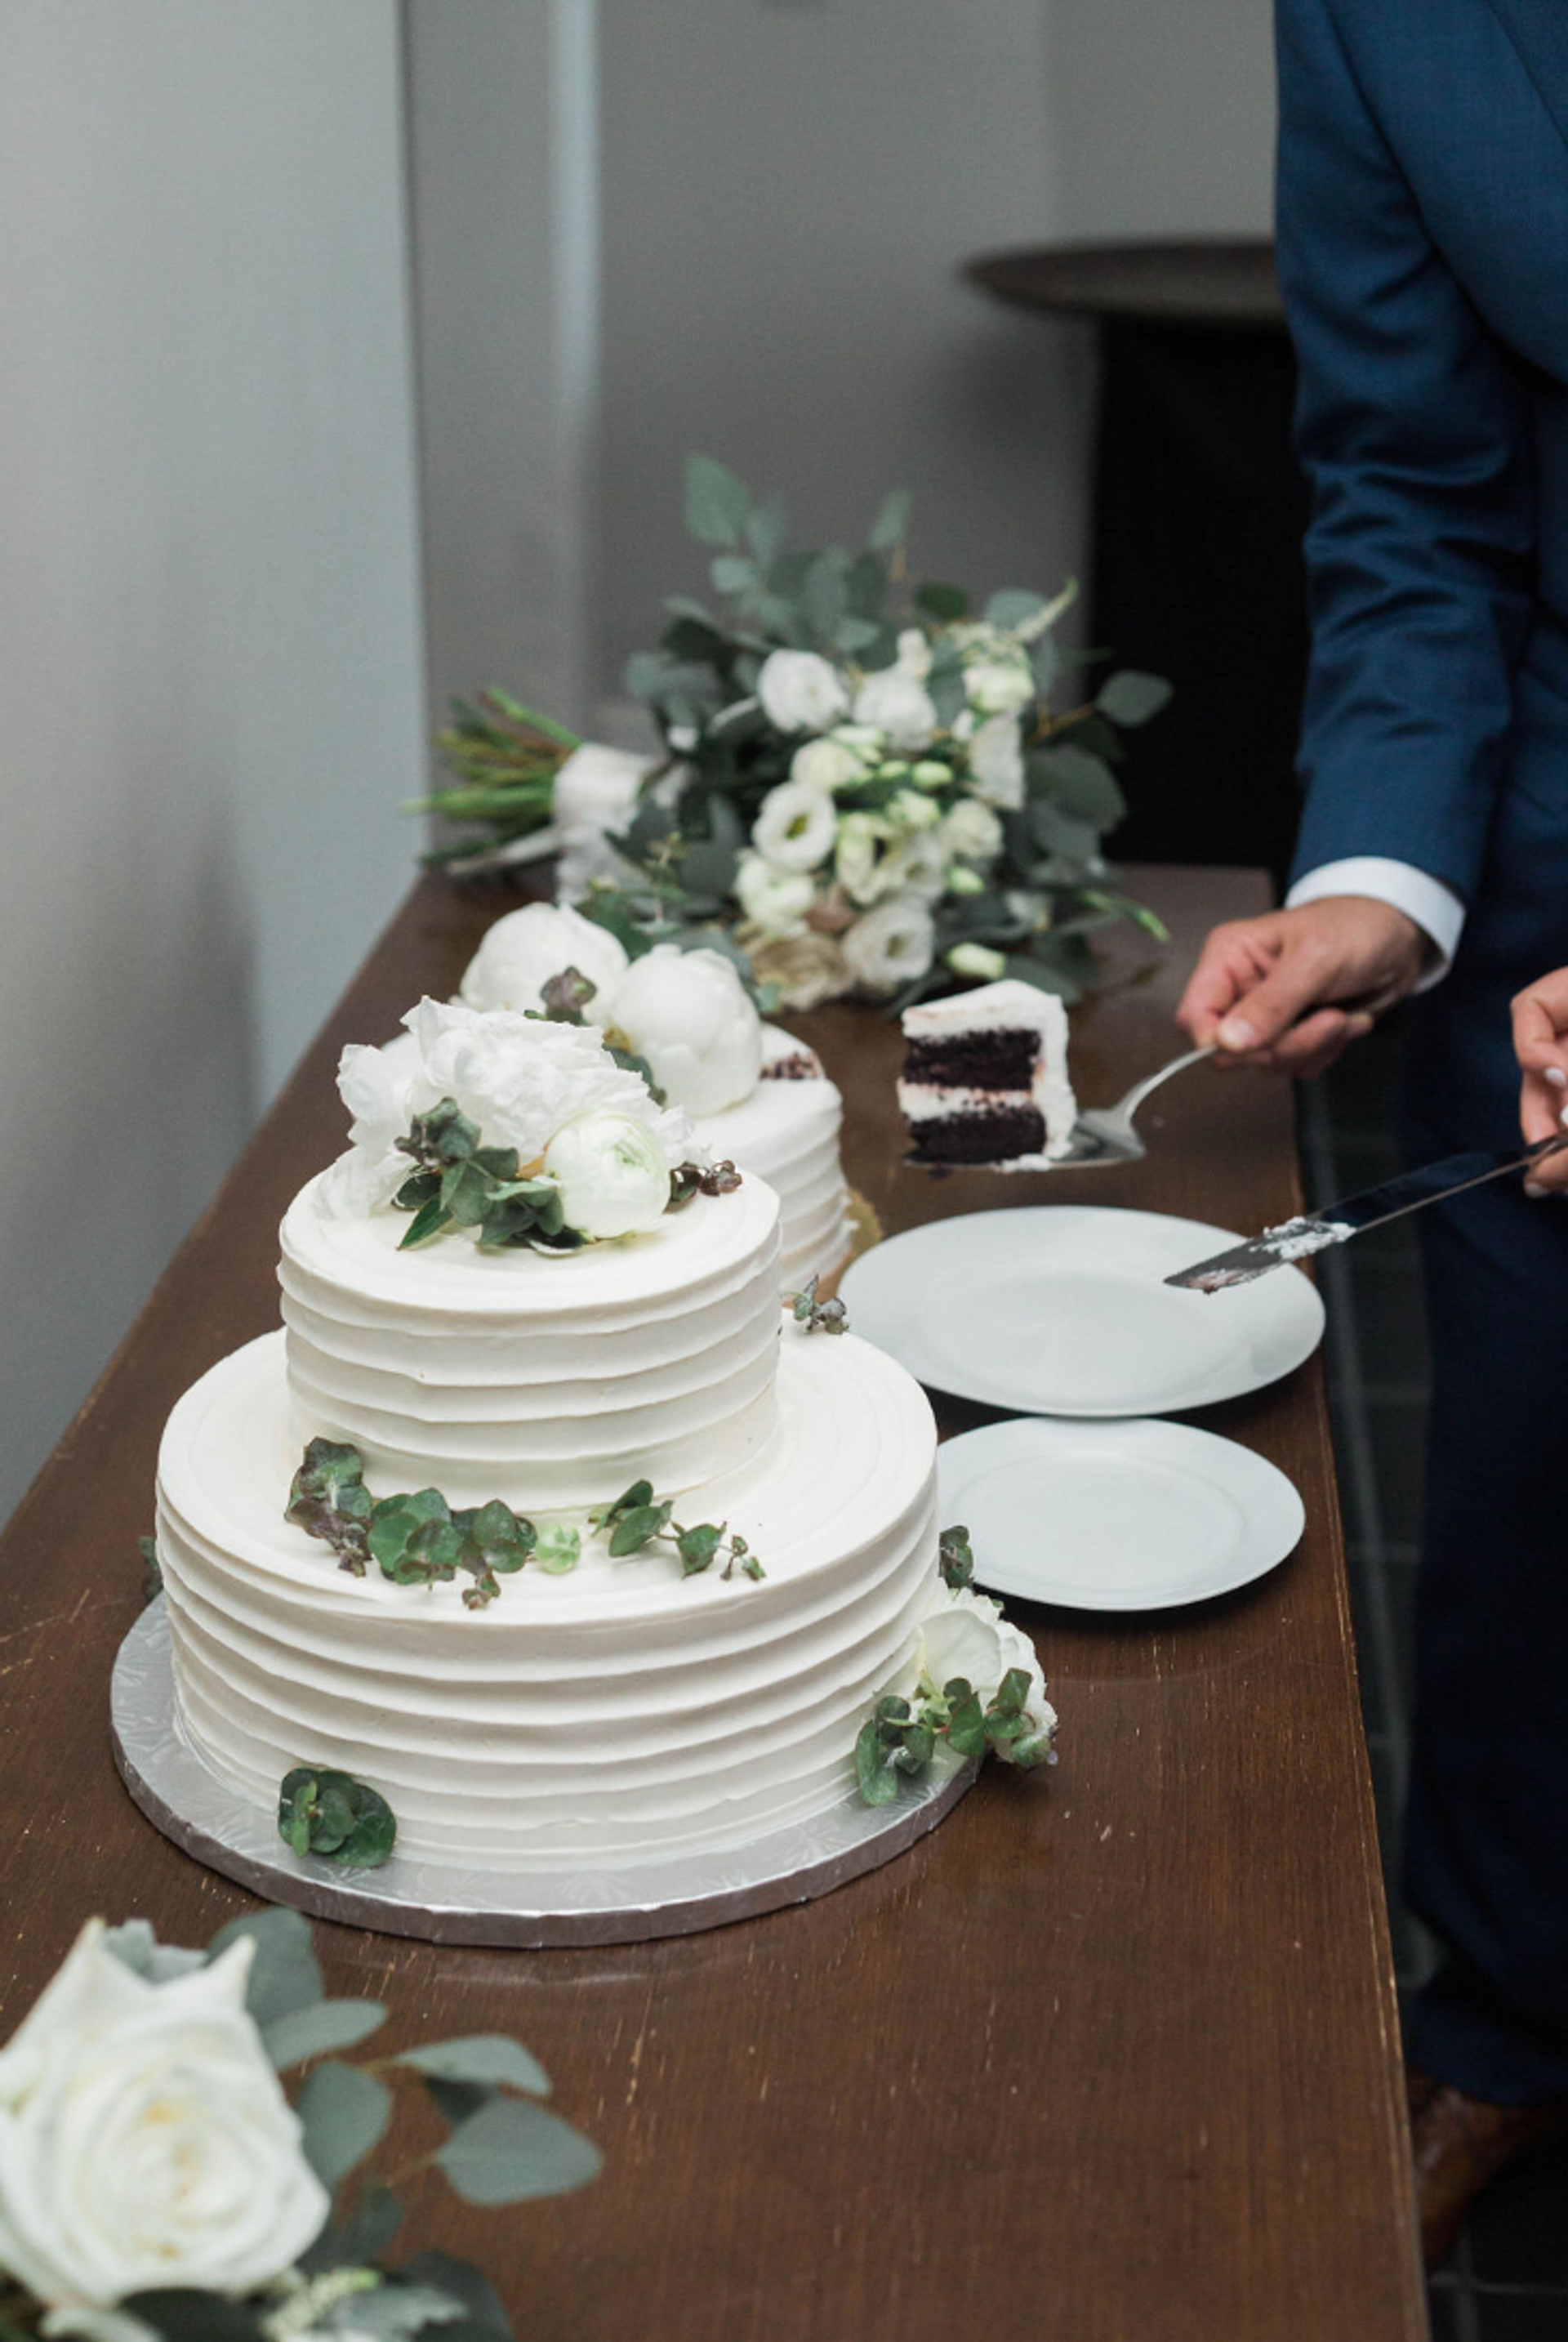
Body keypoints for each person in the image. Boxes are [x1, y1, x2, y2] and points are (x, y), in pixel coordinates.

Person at [1176, 0, 1568, 2264]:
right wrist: (1385, 879)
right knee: (1523, 1483)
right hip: (1543, 840)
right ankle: (1507, 2027)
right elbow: (1418, 489)